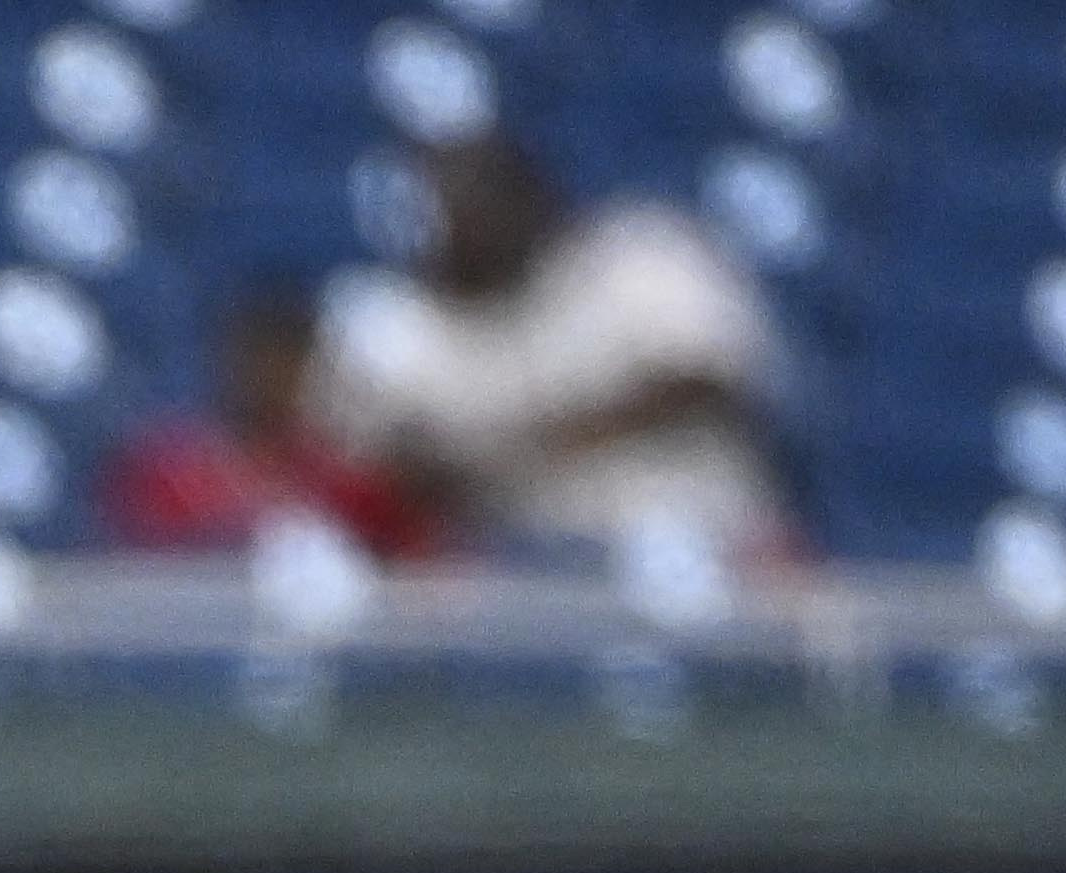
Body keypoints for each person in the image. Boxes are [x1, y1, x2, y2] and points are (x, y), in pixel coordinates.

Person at [304, 132, 782, 569]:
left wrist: (521, 445)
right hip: (514, 584)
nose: (465, 221)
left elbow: (704, 381)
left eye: (482, 199)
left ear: (532, 197)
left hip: (704, 553)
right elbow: (372, 464)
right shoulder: (391, 322)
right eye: (446, 209)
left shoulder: (640, 254)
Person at [98, 280, 436, 560]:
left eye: (286, 363)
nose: (270, 378)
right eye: (259, 361)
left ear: (306, 367)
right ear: (230, 362)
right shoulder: (169, 472)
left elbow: (421, 573)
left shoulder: (347, 479)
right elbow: (133, 576)